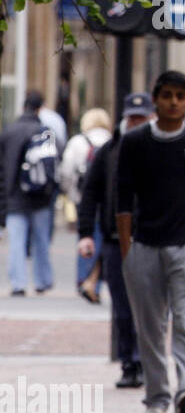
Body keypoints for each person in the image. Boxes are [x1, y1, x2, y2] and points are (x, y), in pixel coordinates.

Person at [116, 71, 185, 413]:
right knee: (150, 326)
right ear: (156, 99)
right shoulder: (134, 142)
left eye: (180, 95)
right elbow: (123, 200)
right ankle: (156, 396)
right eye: (167, 95)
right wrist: (128, 251)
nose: (174, 101)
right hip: (143, 247)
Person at [78, 94, 152, 387]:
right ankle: (128, 363)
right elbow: (90, 194)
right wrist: (85, 233)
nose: (135, 122)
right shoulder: (107, 151)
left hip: (148, 240)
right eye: (132, 117)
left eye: (141, 117)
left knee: (147, 308)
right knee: (122, 307)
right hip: (113, 241)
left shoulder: (158, 150)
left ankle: (146, 362)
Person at [1, 90, 62, 296]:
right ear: (39, 109)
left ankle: (18, 283)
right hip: (40, 196)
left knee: (16, 242)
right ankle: (42, 280)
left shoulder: (8, 132)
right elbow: (54, 165)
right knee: (41, 240)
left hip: (14, 196)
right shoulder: (44, 131)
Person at [61, 107, 113, 301]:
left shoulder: (77, 142)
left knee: (86, 236)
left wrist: (72, 194)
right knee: (103, 239)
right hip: (107, 200)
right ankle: (95, 283)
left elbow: (66, 171)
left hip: (83, 198)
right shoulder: (113, 141)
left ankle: (83, 279)